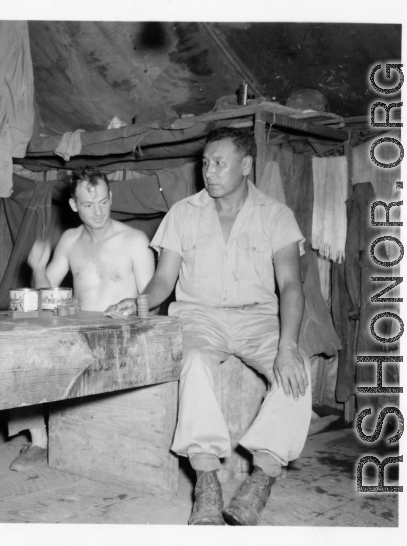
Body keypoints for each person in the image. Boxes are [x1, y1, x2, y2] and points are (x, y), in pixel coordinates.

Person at [106, 128, 312, 526]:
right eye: (205, 163)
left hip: (258, 319)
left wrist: (287, 345)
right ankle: (206, 479)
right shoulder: (183, 212)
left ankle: (262, 479)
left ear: (246, 165)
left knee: (295, 369)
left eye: (220, 163)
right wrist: (141, 301)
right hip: (199, 316)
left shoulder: (275, 215)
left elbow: (290, 285)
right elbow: (164, 278)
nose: (209, 172)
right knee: (194, 360)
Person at [5, 167, 155, 472]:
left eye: (103, 201)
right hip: (77, 334)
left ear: (110, 197)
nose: (98, 211)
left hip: (122, 336)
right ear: (74, 205)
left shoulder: (135, 241)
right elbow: (47, 300)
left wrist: (133, 310)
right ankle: (37, 439)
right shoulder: (70, 241)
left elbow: (150, 306)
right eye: (88, 205)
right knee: (19, 356)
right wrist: (37, 268)